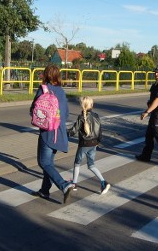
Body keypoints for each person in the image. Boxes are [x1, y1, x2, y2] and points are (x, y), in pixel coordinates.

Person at [29, 65, 74, 203]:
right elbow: (66, 114)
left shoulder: (43, 89)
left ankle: (64, 185)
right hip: (59, 132)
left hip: (47, 133)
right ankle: (44, 190)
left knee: (43, 162)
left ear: (46, 75)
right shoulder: (61, 91)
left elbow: (33, 110)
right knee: (49, 163)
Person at [67, 96, 111, 195]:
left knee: (77, 163)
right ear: (91, 105)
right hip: (94, 143)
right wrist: (98, 141)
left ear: (82, 106)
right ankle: (103, 182)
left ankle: (74, 184)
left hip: (84, 144)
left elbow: (73, 131)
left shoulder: (81, 117)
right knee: (91, 165)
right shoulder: (96, 115)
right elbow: (100, 130)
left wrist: (63, 132)